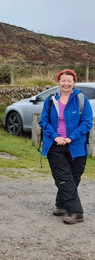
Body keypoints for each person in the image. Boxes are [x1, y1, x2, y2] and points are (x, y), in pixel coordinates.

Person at [39, 69, 92, 225]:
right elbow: (43, 121)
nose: (66, 83)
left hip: (76, 146)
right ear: (58, 82)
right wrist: (56, 136)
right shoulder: (50, 100)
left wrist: (70, 138)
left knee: (74, 178)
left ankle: (61, 205)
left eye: (69, 80)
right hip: (55, 146)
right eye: (63, 80)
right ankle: (77, 212)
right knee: (63, 178)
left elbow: (87, 122)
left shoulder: (81, 99)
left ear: (74, 82)